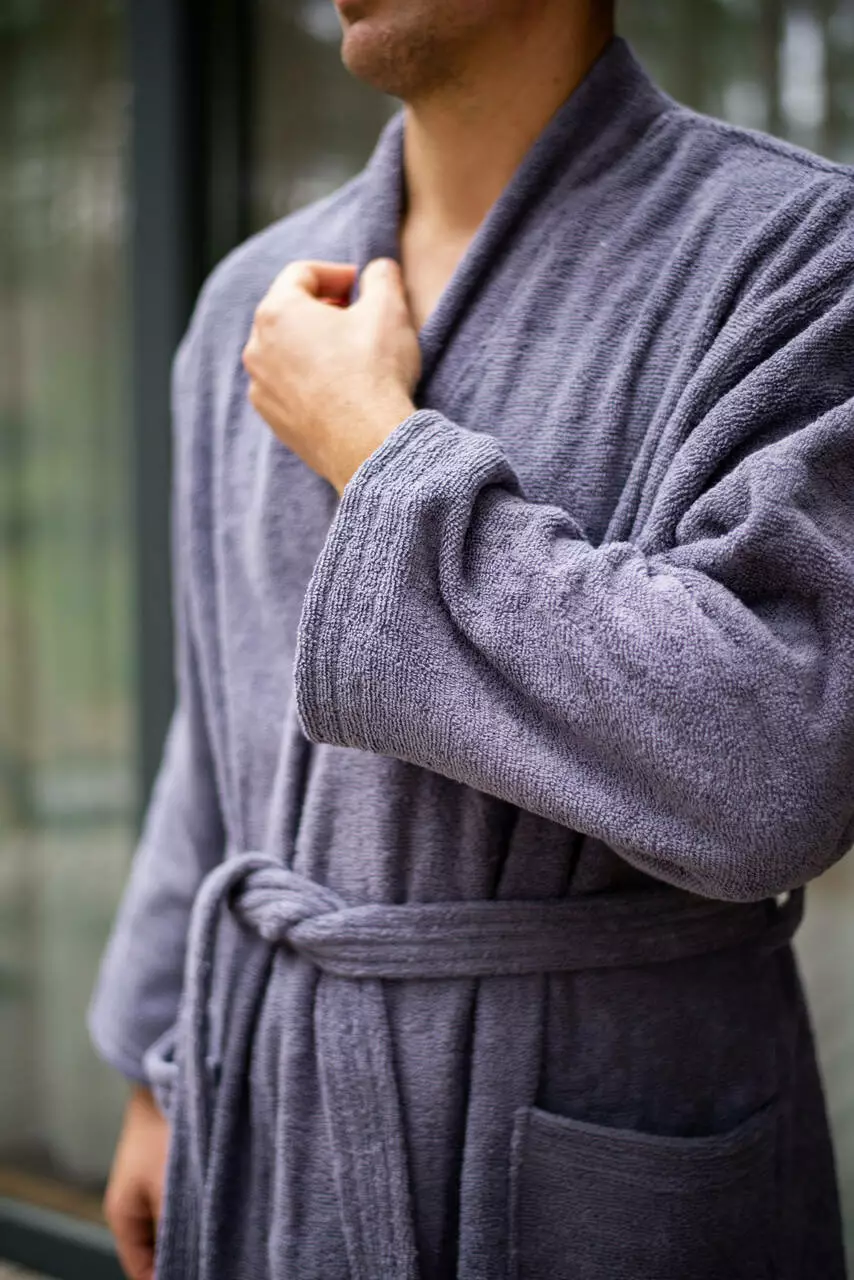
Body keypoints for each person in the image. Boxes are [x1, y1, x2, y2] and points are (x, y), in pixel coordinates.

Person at [89, 1, 854, 1277]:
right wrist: (156, 1068)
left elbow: (772, 761)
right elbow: (216, 725)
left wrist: (372, 448)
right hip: (268, 1104)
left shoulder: (795, 258)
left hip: (594, 1120)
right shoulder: (253, 304)